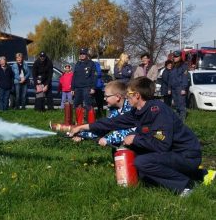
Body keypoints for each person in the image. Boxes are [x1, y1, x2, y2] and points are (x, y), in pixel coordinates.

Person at [69, 76, 208, 195]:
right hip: (172, 153)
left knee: (142, 162)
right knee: (136, 160)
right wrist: (82, 127)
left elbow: (161, 145)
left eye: (128, 94)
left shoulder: (158, 111)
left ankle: (185, 186)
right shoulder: (138, 111)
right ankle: (196, 176)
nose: (126, 97)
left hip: (186, 155)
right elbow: (112, 123)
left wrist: (135, 138)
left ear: (137, 95)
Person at [71, 80, 134, 149]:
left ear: (118, 97)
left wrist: (107, 139)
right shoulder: (115, 111)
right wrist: (82, 135)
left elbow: (129, 132)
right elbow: (103, 127)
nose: (104, 98)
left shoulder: (131, 109)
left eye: (107, 96)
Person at [72, 48, 96, 120]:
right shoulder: (77, 64)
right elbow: (74, 77)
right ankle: (79, 121)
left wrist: (93, 88)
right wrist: (72, 89)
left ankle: (90, 121)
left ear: (86, 55)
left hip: (87, 87)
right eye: (81, 54)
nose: (82, 55)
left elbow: (94, 76)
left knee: (88, 105)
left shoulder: (91, 63)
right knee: (77, 105)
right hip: (77, 88)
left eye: (83, 54)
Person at [169, 50, 188, 121]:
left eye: (177, 57)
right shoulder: (173, 66)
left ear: (180, 57)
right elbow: (171, 78)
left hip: (180, 87)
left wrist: (183, 88)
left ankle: (182, 120)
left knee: (181, 104)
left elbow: (185, 78)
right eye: (174, 57)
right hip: (174, 87)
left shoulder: (183, 66)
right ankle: (177, 119)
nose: (175, 58)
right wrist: (170, 88)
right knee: (176, 104)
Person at [92, 54, 105, 118]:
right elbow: (98, 73)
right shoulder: (95, 63)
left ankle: (100, 113)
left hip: (97, 86)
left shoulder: (96, 63)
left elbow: (99, 73)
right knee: (94, 102)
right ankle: (93, 114)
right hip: (94, 85)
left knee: (99, 101)